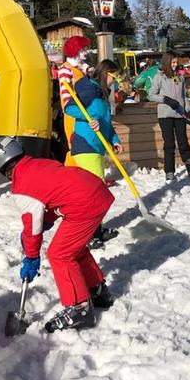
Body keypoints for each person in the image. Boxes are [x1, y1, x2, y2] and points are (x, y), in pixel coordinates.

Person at [0, 136, 115, 333]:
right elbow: (56, 191)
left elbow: (32, 228)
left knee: (59, 254)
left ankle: (79, 308)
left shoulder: (22, 185)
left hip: (84, 203)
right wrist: (47, 219)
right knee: (74, 249)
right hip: (94, 191)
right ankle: (97, 290)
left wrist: (31, 257)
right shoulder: (36, 164)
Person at [63, 59, 123, 249]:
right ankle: (88, 234)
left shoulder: (103, 95)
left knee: (95, 191)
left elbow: (106, 123)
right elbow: (69, 107)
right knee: (95, 192)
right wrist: (88, 118)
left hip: (97, 148)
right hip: (85, 146)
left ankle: (96, 230)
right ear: (106, 73)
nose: (116, 81)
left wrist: (115, 139)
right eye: (115, 77)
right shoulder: (89, 89)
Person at [148, 53, 190, 181]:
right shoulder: (159, 77)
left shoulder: (178, 77)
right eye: (173, 62)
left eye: (176, 62)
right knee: (169, 143)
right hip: (165, 115)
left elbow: (183, 96)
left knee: (183, 142)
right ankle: (169, 170)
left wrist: (188, 112)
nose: (175, 65)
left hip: (179, 114)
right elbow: (151, 95)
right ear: (167, 62)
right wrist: (165, 99)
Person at [57, 35, 91, 165]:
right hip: (74, 113)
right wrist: (73, 110)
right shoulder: (65, 69)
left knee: (85, 144)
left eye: (86, 49)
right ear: (75, 50)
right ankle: (70, 172)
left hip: (84, 111)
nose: (86, 52)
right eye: (83, 49)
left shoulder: (80, 69)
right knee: (75, 145)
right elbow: (65, 95)